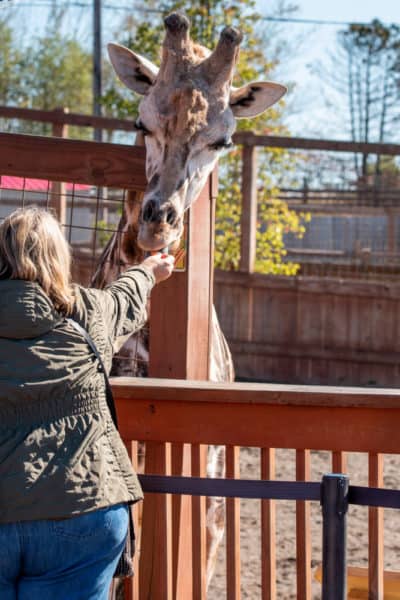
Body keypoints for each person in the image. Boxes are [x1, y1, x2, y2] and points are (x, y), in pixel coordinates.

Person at [0, 206, 175, 600]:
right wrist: (149, 270)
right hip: (83, 508)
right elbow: (122, 298)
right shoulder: (86, 312)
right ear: (59, 259)